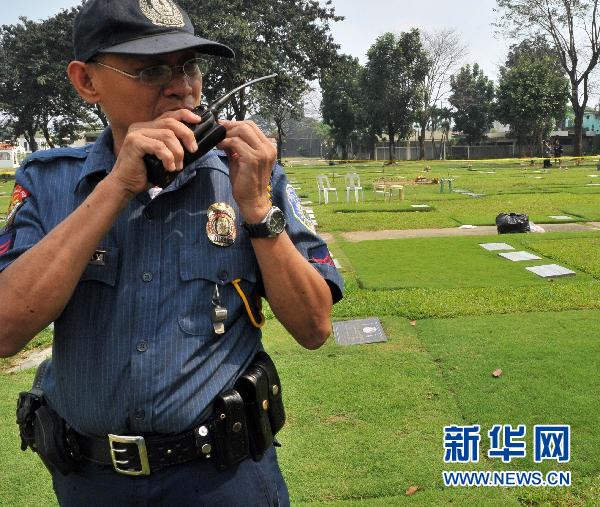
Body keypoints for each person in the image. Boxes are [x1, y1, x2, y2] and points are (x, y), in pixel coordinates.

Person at [0, 0, 343, 505]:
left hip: (223, 479)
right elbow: (6, 329)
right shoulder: (49, 182)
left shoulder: (247, 175)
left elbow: (314, 328)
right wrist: (116, 187)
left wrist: (257, 207)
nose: (181, 84)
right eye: (152, 68)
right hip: (90, 482)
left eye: (190, 66)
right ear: (87, 82)